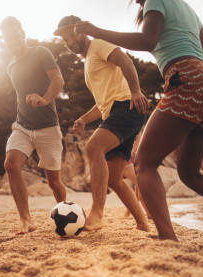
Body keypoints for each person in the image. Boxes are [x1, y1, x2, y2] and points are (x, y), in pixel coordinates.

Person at [74, 0, 203, 242]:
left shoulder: (156, 1)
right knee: (190, 173)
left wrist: (97, 31)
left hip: (186, 79)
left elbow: (147, 41)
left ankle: (167, 235)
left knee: (144, 163)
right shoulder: (186, 8)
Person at [54, 15, 149, 232]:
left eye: (71, 34)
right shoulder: (89, 62)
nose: (69, 42)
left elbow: (125, 60)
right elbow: (102, 104)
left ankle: (97, 213)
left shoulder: (98, 44)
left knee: (93, 147)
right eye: (65, 39)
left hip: (127, 106)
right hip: (116, 110)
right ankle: (143, 224)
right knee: (115, 178)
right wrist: (83, 120)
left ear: (82, 30)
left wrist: (135, 91)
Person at [0, 17, 67, 234]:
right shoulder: (10, 66)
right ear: (6, 40)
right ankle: (25, 220)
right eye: (8, 38)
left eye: (15, 35)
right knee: (11, 164)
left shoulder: (40, 53)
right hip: (22, 126)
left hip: (48, 126)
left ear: (23, 34)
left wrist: (45, 99)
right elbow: (20, 95)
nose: (13, 41)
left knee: (54, 182)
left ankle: (64, 214)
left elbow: (58, 80)